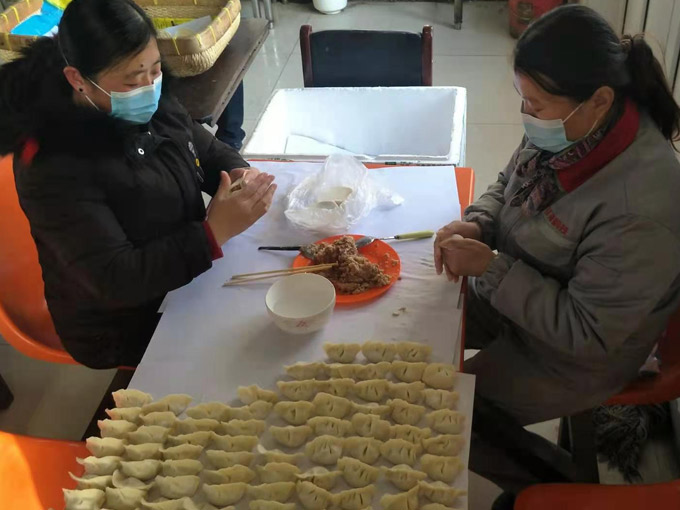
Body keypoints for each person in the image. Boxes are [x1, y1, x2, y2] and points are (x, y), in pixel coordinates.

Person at [434, 4, 680, 504]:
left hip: (578, 352)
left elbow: (588, 333)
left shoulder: (641, 207)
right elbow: (508, 182)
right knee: (425, 312)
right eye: (523, 100)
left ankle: (556, 487)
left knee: (446, 410)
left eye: (536, 105)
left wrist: (492, 269)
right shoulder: (575, 126)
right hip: (524, 286)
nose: (527, 116)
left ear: (599, 100)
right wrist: (480, 222)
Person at [0, 0, 277, 369]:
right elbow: (115, 279)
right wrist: (212, 234)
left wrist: (238, 172)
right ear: (78, 79)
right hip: (122, 323)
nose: (149, 87)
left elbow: (200, 144)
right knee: (251, 351)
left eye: (156, 69)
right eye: (132, 80)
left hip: (182, 272)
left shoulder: (147, 97)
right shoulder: (53, 167)